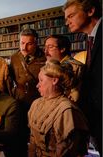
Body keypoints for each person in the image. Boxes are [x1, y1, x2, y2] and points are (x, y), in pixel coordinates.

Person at [28, 60, 89, 157]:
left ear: (54, 80)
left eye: (41, 80)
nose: (37, 85)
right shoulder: (36, 104)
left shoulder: (66, 110)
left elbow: (65, 151)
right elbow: (32, 142)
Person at [63, 0, 102, 153]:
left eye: (71, 16)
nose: (67, 22)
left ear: (90, 11)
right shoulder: (90, 38)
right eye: (66, 19)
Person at [44, 34, 84, 102]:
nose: (45, 51)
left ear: (62, 49)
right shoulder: (49, 66)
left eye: (50, 47)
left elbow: (74, 98)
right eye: (45, 47)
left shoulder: (75, 67)